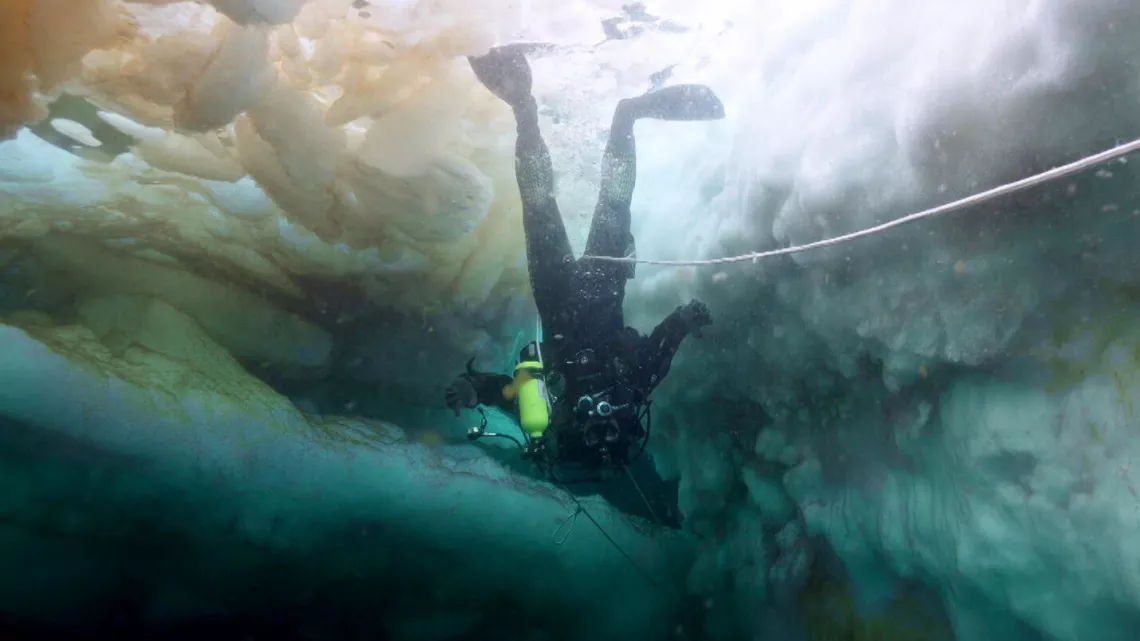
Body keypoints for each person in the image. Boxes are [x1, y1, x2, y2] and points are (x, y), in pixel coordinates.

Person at [444, 44, 723, 474]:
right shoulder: (633, 387)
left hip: (554, 293)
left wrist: (472, 387)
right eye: (609, 427)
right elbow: (663, 344)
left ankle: (523, 107)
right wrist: (687, 318)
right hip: (602, 287)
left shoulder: (547, 411)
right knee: (613, 201)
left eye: (587, 431)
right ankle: (627, 115)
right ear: (626, 425)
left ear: (567, 431)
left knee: (538, 204)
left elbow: (505, 392)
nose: (597, 418)